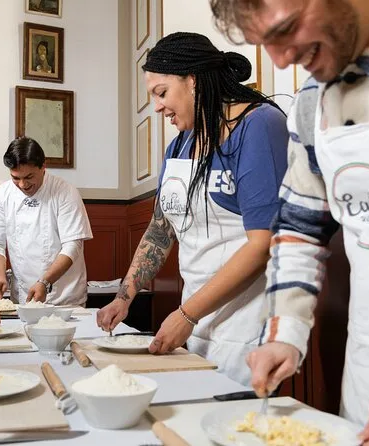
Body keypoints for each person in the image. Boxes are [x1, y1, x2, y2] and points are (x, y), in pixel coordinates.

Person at [210, 0, 369, 443]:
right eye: (265, 44)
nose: (280, 60)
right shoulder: (313, 100)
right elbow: (299, 228)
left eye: (286, 29)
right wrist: (285, 331)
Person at [96, 32, 289, 385]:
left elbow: (263, 244)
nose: (157, 107)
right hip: (195, 324)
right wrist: (124, 297)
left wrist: (187, 314)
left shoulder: (258, 125)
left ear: (193, 80)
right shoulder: (178, 147)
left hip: (246, 328)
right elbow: (160, 230)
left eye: (161, 92)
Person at [0, 137, 92, 306]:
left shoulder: (66, 192)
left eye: (29, 177)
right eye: (15, 178)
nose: (22, 184)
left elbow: (73, 245)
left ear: (43, 167)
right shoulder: (1, 194)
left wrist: (45, 282)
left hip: (65, 298)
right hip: (23, 298)